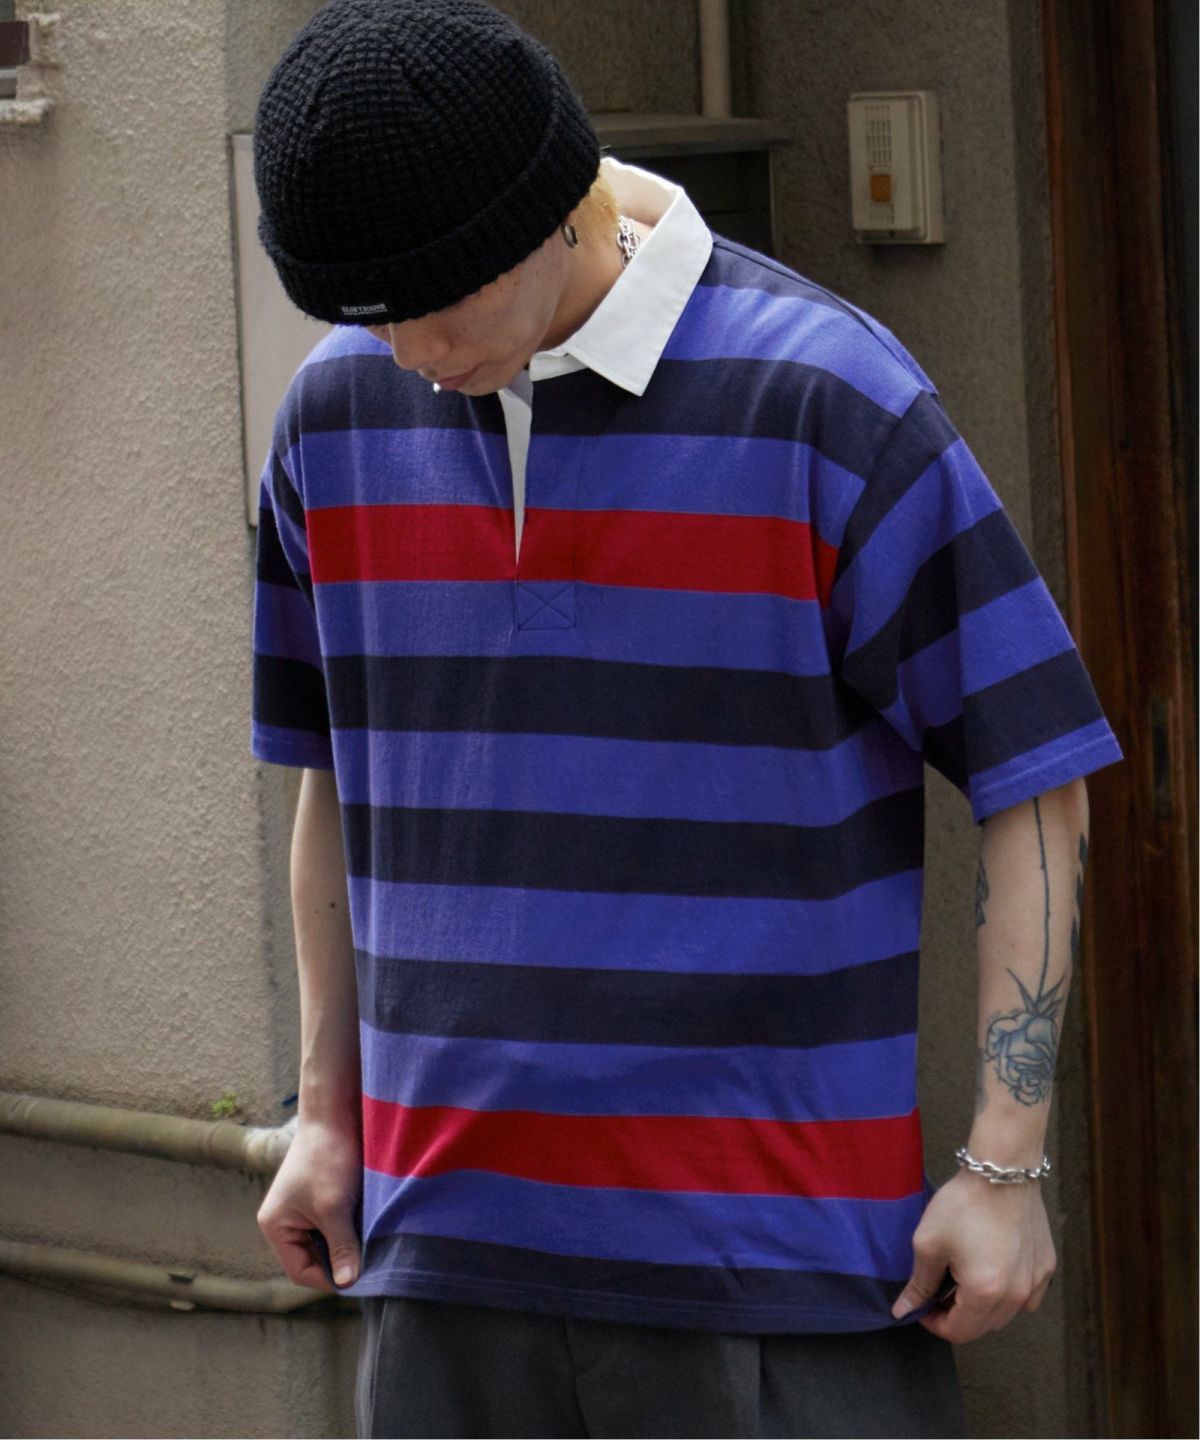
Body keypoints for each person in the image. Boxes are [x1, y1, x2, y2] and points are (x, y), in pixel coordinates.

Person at [248, 1, 1124, 1435]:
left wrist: (1007, 1161)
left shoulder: (826, 396)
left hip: (778, 1276)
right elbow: (342, 778)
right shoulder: (332, 419)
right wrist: (328, 1113)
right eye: (366, 312)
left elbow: (1036, 773)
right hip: (440, 1262)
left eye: (435, 302)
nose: (406, 350)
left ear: (551, 210)